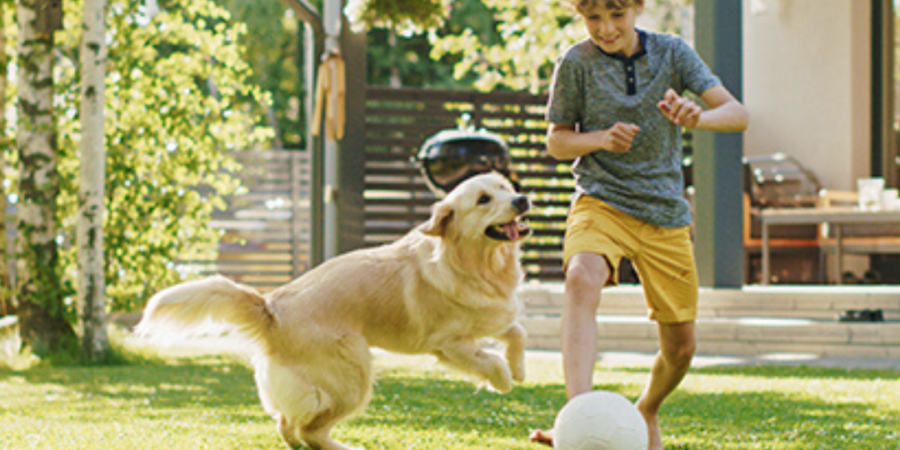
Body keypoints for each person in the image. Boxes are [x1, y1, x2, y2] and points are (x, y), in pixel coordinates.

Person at [528, 1, 749, 449]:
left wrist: (698, 117)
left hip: (663, 211)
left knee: (681, 348)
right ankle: (578, 419)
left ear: (636, 8)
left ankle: (646, 409)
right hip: (601, 199)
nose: (606, 29)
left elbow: (737, 114)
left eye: (616, 14)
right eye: (593, 18)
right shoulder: (576, 63)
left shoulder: (672, 53)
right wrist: (599, 139)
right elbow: (556, 140)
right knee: (580, 278)